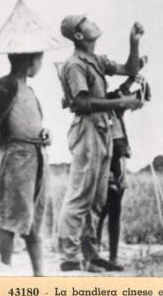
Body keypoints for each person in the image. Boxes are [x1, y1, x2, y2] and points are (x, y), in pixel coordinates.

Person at [57, 15, 145, 272]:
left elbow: (130, 69)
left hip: (102, 130)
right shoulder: (75, 65)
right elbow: (82, 103)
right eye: (85, 22)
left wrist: (134, 42)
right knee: (80, 195)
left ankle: (90, 255)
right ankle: (69, 257)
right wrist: (121, 102)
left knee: (96, 197)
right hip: (88, 130)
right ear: (78, 35)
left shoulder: (95, 60)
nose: (93, 22)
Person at [0, 51, 50, 275]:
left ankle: (39, 274)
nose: (40, 65)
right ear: (30, 62)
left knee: (34, 219)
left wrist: (45, 134)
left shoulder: (29, 91)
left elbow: (33, 123)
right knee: (10, 217)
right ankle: (5, 271)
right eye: (39, 60)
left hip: (37, 156)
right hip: (17, 157)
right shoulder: (5, 85)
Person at [97, 73, 150, 268]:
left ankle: (111, 256)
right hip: (104, 163)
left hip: (118, 161)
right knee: (102, 210)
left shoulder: (113, 101)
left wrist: (137, 79)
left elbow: (133, 94)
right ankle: (96, 255)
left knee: (113, 210)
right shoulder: (93, 106)